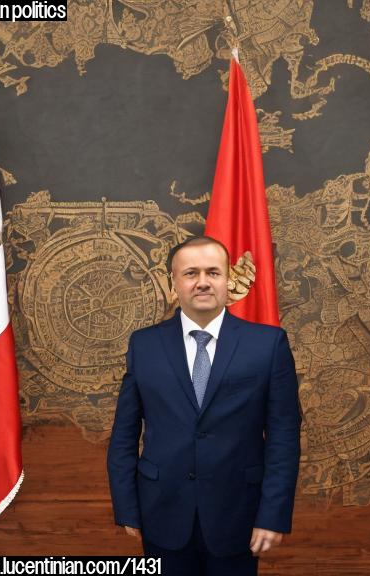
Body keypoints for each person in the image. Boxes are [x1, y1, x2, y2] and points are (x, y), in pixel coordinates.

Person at [107, 236, 300, 575]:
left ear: (229, 280)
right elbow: (124, 434)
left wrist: (273, 514)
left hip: (239, 516)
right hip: (161, 513)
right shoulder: (144, 345)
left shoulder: (268, 345)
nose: (202, 282)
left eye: (213, 272)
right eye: (191, 273)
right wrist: (127, 508)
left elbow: (284, 437)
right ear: (173, 282)